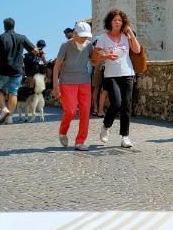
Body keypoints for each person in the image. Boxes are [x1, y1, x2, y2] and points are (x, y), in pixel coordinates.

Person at [92, 9, 142, 148]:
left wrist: (131, 33)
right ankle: (106, 126)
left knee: (126, 105)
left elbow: (137, 50)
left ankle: (125, 137)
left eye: (120, 20)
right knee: (116, 103)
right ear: (110, 22)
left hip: (127, 73)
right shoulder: (103, 38)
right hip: (111, 75)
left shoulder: (127, 37)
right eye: (115, 20)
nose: (117, 22)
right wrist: (106, 56)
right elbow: (94, 58)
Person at [0, 18, 39, 125]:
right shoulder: (21, 38)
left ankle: (4, 109)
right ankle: (9, 118)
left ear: (4, 26)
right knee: (13, 93)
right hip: (17, 70)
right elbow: (35, 51)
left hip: (2, 70)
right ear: (14, 26)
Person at [53, 21, 94, 150]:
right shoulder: (65, 45)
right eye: (82, 36)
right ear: (75, 34)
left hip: (84, 81)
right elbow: (57, 65)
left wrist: (104, 56)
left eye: (86, 36)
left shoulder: (89, 46)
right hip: (67, 81)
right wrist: (55, 85)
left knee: (85, 112)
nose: (84, 39)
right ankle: (63, 132)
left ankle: (80, 141)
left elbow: (93, 61)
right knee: (70, 111)